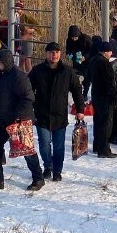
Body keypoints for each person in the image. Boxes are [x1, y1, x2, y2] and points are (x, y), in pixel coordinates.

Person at [0, 48, 44, 191]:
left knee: (26, 150)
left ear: (7, 62)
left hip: (19, 120)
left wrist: (18, 117)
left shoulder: (18, 76)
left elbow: (28, 98)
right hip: (1, 119)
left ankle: (38, 178)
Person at [29, 41, 86, 182]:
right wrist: (27, 107)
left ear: (60, 54)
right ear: (46, 54)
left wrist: (80, 109)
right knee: (44, 144)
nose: (54, 55)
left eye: (56, 52)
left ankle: (57, 171)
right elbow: (27, 89)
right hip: (41, 114)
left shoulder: (67, 71)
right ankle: (48, 166)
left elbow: (77, 90)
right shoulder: (37, 71)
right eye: (51, 52)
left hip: (59, 115)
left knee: (59, 146)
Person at [88, 38, 117, 158]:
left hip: (96, 95)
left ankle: (97, 146)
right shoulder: (105, 64)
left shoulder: (93, 61)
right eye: (110, 52)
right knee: (106, 124)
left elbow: (88, 76)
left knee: (98, 121)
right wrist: (115, 97)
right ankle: (104, 150)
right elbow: (110, 83)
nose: (111, 54)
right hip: (105, 97)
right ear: (105, 52)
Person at [65, 25, 93, 99]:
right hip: (76, 61)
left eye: (75, 38)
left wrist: (85, 57)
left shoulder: (86, 39)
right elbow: (68, 50)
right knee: (76, 78)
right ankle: (77, 93)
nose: (74, 39)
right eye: (72, 38)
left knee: (86, 78)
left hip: (86, 62)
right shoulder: (69, 40)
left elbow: (91, 50)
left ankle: (85, 94)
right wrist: (71, 56)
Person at [14, 1, 39, 74]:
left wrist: (29, 30)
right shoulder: (14, 17)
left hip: (27, 40)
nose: (17, 9)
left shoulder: (26, 17)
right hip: (20, 40)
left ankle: (30, 76)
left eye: (19, 8)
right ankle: (22, 76)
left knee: (27, 60)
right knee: (21, 60)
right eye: (16, 7)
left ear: (22, 9)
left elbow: (37, 27)